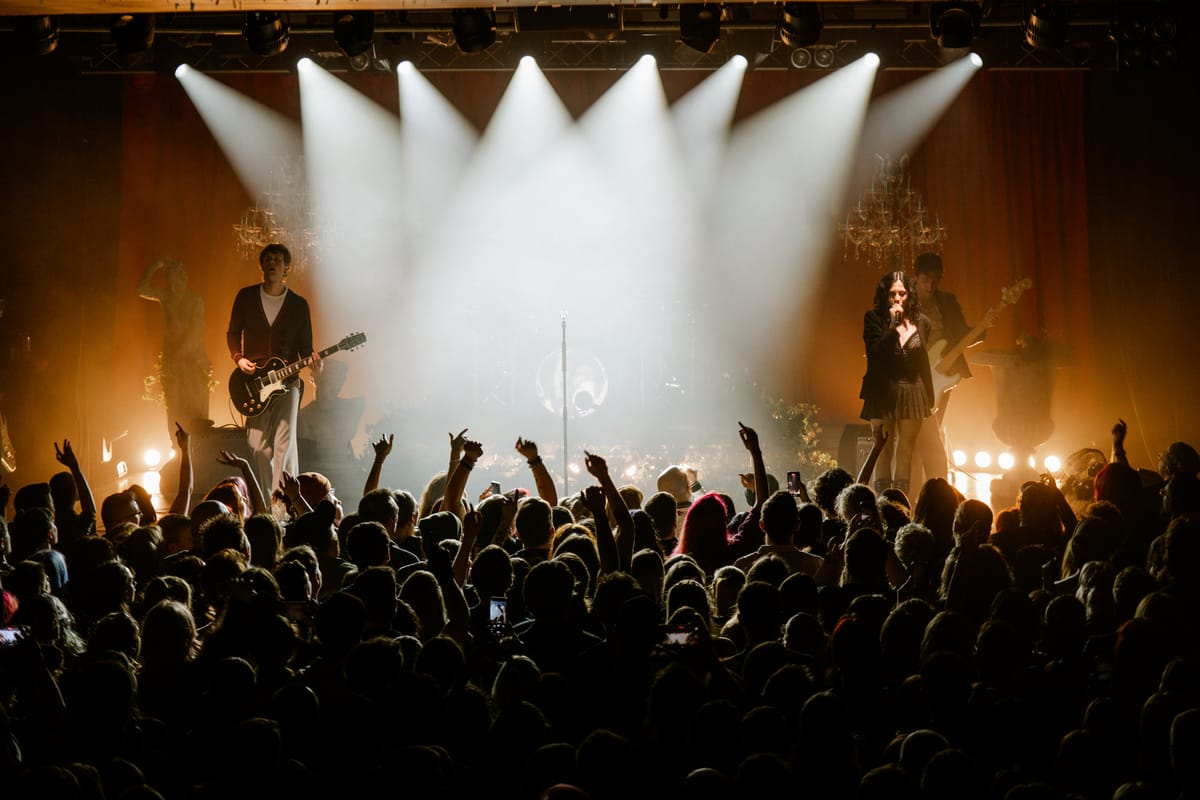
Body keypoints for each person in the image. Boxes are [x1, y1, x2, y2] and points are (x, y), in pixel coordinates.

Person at [226, 243, 319, 498]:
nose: (272, 262)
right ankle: (264, 501)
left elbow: (306, 347)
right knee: (257, 445)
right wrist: (239, 359)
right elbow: (233, 332)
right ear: (262, 265)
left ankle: (284, 506)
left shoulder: (299, 305)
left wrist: (313, 364)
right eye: (268, 258)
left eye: (278, 259)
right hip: (253, 382)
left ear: (286, 267)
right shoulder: (246, 297)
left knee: (284, 445)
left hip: (287, 384)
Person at [912, 252, 998, 482]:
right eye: (925, 279)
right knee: (922, 436)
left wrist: (982, 327)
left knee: (931, 431)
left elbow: (961, 335)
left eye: (936, 279)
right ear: (915, 277)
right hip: (910, 377)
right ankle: (929, 486)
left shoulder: (947, 302)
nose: (930, 285)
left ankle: (930, 487)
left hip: (941, 375)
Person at [858, 270, 934, 498]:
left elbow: (922, 360)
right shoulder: (872, 318)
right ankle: (882, 505)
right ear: (884, 295)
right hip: (881, 389)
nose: (898, 298)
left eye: (903, 293)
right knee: (882, 449)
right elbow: (875, 354)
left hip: (912, 387)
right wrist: (893, 327)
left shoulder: (923, 322)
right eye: (893, 294)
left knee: (906, 451)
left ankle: (900, 505)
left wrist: (929, 394)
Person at [138, 256, 213, 442]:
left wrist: (180, 356)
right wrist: (156, 264)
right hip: (173, 361)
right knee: (174, 408)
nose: (173, 282)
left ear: (183, 278)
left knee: (195, 408)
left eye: (177, 277)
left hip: (193, 362)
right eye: (169, 277)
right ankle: (177, 447)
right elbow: (142, 289)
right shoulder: (166, 297)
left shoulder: (195, 301)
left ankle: (197, 449)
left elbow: (195, 334)